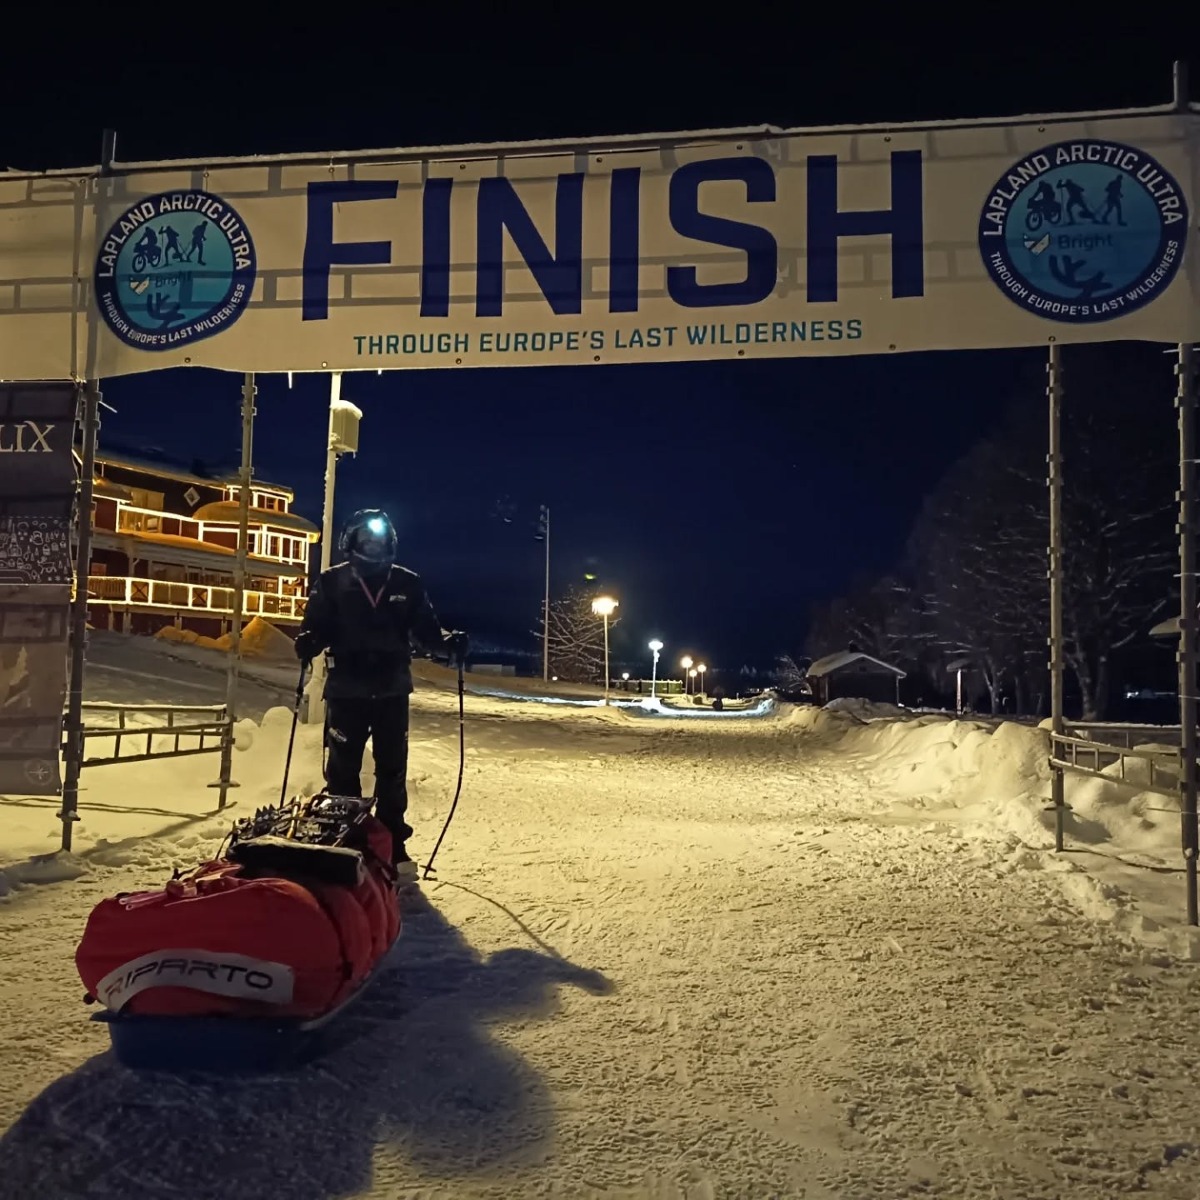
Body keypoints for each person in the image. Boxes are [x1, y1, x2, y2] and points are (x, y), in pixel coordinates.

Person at [293, 509, 468, 871]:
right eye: (366, 540)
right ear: (352, 542)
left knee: (392, 771)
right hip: (346, 691)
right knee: (342, 771)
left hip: (391, 691)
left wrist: (449, 644)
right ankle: (344, 838)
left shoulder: (407, 584)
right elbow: (317, 625)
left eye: (380, 541)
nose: (373, 547)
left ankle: (393, 845)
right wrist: (309, 640)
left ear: (390, 543)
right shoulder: (331, 582)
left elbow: (426, 633)